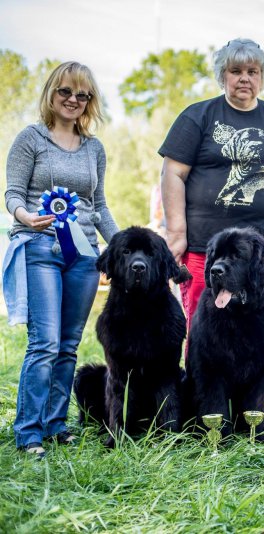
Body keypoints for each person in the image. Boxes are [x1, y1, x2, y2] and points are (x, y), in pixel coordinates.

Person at [3, 62, 118, 458]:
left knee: (68, 345)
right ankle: (29, 430)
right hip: (39, 248)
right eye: (65, 92)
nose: (73, 100)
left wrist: (123, 246)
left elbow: (98, 205)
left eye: (82, 95)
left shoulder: (94, 148)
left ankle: (55, 425)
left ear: (90, 102)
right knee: (45, 343)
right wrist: (25, 216)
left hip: (83, 256)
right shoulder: (30, 139)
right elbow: (13, 194)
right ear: (52, 93)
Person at [159, 38, 264, 330]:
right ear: (222, 75)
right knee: (204, 333)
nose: (244, 78)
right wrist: (176, 232)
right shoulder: (197, 117)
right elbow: (172, 174)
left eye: (252, 71)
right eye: (235, 70)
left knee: (260, 334)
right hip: (205, 251)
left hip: (260, 257)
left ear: (262, 78)